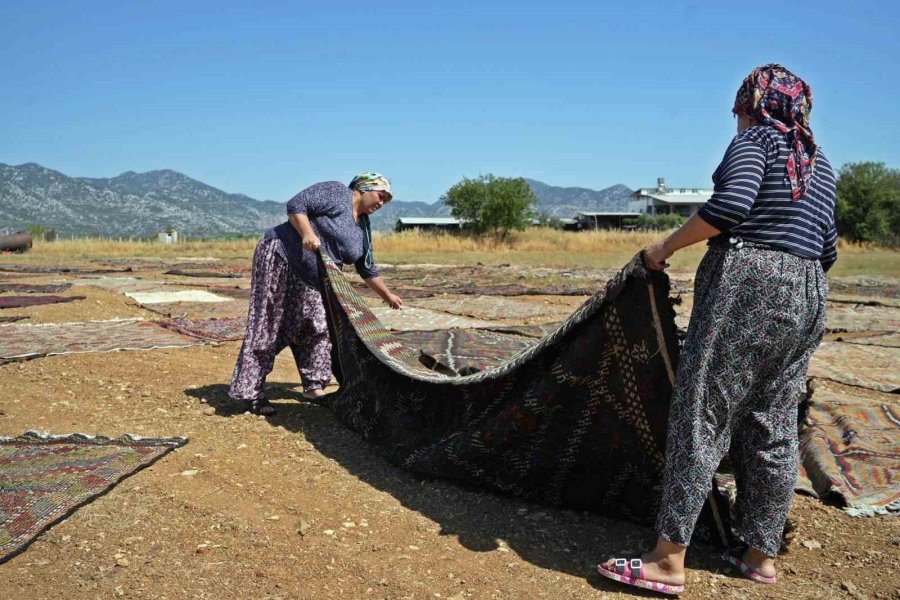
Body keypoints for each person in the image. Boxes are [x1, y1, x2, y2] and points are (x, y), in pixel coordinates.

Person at [598, 64, 837, 595]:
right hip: (809, 290)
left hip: (750, 280)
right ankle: (760, 556)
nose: (736, 118)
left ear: (752, 106)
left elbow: (729, 206)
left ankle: (667, 560)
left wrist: (663, 248)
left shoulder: (758, 141)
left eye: (738, 109)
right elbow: (828, 249)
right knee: (772, 423)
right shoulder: (819, 163)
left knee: (702, 412)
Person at [229, 172, 404, 415]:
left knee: (318, 326)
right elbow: (296, 205)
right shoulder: (337, 192)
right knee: (269, 323)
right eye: (380, 195)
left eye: (386, 199)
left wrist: (388, 296)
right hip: (281, 257)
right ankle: (250, 391)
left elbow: (366, 267)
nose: (381, 202)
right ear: (363, 188)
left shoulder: (363, 226)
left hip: (314, 278)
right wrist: (307, 233)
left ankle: (314, 386)